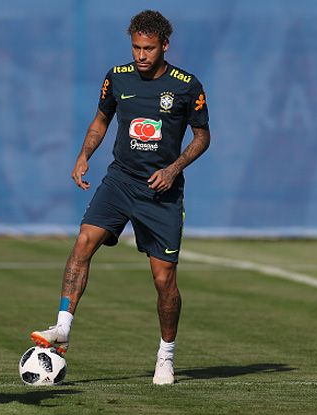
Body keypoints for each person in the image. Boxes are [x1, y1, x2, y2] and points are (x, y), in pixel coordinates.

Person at [31, 10, 210, 385]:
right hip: (120, 180)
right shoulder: (117, 77)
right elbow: (101, 121)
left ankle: (166, 355)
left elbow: (202, 137)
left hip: (161, 191)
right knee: (83, 242)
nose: (141, 55)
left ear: (164, 46)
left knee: (164, 281)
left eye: (148, 48)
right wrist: (83, 155)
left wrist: (174, 169)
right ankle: (62, 326)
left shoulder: (186, 85)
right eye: (136, 47)